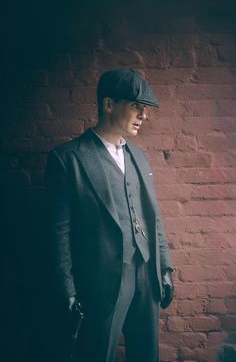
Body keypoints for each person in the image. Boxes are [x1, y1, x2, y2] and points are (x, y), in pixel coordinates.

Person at [45, 68, 174, 362]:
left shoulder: (139, 156)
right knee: (97, 354)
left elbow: (153, 217)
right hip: (101, 279)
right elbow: (59, 234)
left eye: (144, 109)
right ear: (108, 105)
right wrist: (67, 290)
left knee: (146, 355)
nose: (143, 115)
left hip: (147, 273)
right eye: (136, 106)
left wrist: (165, 266)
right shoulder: (68, 159)